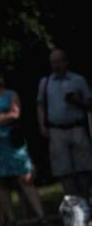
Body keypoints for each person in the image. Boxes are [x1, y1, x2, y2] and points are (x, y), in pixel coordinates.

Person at [0, 68, 45, 226]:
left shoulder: (11, 94)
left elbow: (14, 114)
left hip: (12, 141)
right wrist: (2, 117)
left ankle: (41, 215)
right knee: (1, 183)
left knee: (25, 177)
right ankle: (11, 220)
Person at [37, 48, 92, 200]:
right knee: (63, 170)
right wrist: (42, 125)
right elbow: (40, 106)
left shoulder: (78, 80)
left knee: (84, 168)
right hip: (56, 131)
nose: (56, 65)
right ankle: (73, 205)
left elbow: (88, 103)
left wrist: (77, 101)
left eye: (58, 61)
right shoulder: (45, 82)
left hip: (77, 128)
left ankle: (86, 201)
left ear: (65, 61)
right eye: (53, 62)